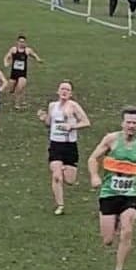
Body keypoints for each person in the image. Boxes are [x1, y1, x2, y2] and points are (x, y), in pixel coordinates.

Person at [86, 106, 136, 270]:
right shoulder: (111, 140)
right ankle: (114, 222)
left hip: (130, 194)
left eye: (135, 122)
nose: (131, 125)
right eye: (128, 122)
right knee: (108, 240)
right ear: (122, 123)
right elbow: (92, 158)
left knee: (128, 231)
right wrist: (94, 176)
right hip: (109, 193)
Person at [40, 82, 92, 216]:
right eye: (62, 89)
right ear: (58, 91)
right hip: (56, 144)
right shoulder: (52, 106)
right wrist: (44, 118)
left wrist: (72, 126)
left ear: (71, 93)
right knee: (56, 177)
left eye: (67, 90)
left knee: (70, 180)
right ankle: (60, 205)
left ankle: (64, 169)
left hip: (69, 146)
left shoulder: (73, 106)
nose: (64, 91)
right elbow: (49, 124)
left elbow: (86, 122)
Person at [5, 35, 41, 109]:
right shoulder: (13, 49)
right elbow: (7, 56)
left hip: (22, 73)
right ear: (17, 42)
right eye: (20, 42)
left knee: (19, 89)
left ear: (25, 43)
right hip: (14, 73)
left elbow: (34, 54)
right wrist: (6, 62)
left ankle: (17, 105)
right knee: (10, 90)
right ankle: (16, 95)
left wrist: (38, 59)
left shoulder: (27, 50)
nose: (21, 43)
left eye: (23, 42)